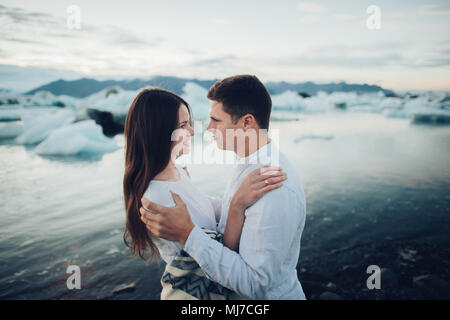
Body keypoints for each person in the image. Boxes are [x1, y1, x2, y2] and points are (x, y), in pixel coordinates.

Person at [140, 75, 307, 300]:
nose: (207, 128)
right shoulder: (251, 165)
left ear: (246, 123)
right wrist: (190, 191)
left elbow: (255, 283)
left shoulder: (272, 183)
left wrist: (188, 233)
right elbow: (230, 211)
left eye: (215, 120)